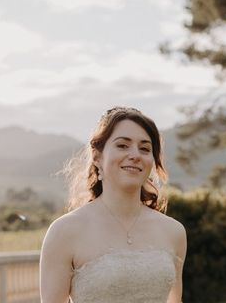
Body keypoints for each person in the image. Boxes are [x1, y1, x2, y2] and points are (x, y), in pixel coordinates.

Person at [40, 106, 187, 303]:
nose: (135, 155)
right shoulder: (64, 231)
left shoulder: (173, 232)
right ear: (97, 156)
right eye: (123, 145)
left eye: (144, 148)